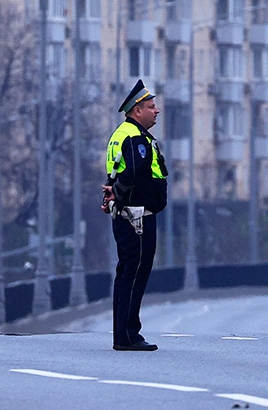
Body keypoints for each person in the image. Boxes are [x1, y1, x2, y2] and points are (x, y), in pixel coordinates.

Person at [102, 79, 167, 351]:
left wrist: (112, 195)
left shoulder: (121, 134)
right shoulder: (135, 138)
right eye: (151, 107)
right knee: (134, 273)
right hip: (137, 218)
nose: (157, 111)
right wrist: (118, 193)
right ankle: (128, 335)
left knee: (127, 273)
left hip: (127, 215)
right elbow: (131, 174)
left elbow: (115, 174)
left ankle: (124, 334)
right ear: (137, 110)